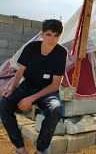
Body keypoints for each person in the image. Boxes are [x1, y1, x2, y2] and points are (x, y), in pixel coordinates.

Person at [0, 19, 67, 154]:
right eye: (48, 34)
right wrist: (11, 89)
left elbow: (55, 85)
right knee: (4, 104)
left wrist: (31, 99)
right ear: (42, 34)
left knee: (56, 109)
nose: (51, 39)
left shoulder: (61, 53)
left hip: (47, 91)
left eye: (56, 36)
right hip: (28, 86)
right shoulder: (31, 48)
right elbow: (20, 72)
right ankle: (20, 148)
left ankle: (40, 150)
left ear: (59, 37)